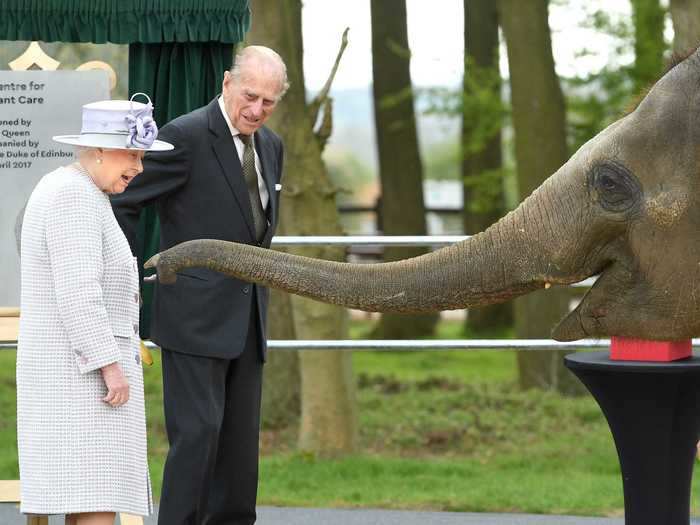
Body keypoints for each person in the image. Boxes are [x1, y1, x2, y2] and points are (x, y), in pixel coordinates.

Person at [111, 46, 288, 525]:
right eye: (251, 95)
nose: (257, 109)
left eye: (269, 102)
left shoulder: (271, 146)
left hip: (249, 320)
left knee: (238, 445)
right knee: (198, 436)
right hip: (191, 317)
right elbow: (123, 203)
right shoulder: (184, 136)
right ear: (228, 82)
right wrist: (129, 274)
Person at [17, 95, 173, 525]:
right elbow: (79, 291)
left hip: (73, 375)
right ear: (100, 150)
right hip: (80, 380)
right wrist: (110, 365)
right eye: (134, 154)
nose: (140, 167)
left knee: (91, 494)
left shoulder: (80, 189)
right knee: (96, 497)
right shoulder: (73, 195)